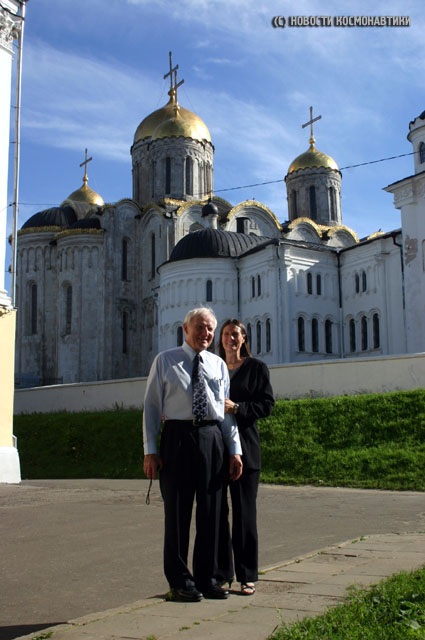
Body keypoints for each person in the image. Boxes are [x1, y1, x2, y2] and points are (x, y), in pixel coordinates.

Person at [143, 307, 243, 603]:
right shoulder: (165, 361)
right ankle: (180, 581)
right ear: (185, 329)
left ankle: (207, 577)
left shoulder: (218, 364)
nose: (206, 333)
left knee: (212, 512)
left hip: (212, 438)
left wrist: (234, 450)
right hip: (177, 438)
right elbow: (151, 408)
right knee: (178, 513)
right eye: (200, 327)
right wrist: (150, 451)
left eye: (210, 328)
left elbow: (225, 411)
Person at [218, 318, 274, 595]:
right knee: (217, 514)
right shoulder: (213, 367)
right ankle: (220, 573)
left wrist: (238, 408)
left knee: (244, 515)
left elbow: (267, 405)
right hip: (217, 450)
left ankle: (247, 575)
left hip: (247, 449)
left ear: (244, 339)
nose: (231, 339)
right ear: (221, 339)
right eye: (226, 334)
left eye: (235, 334)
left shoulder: (255, 368)